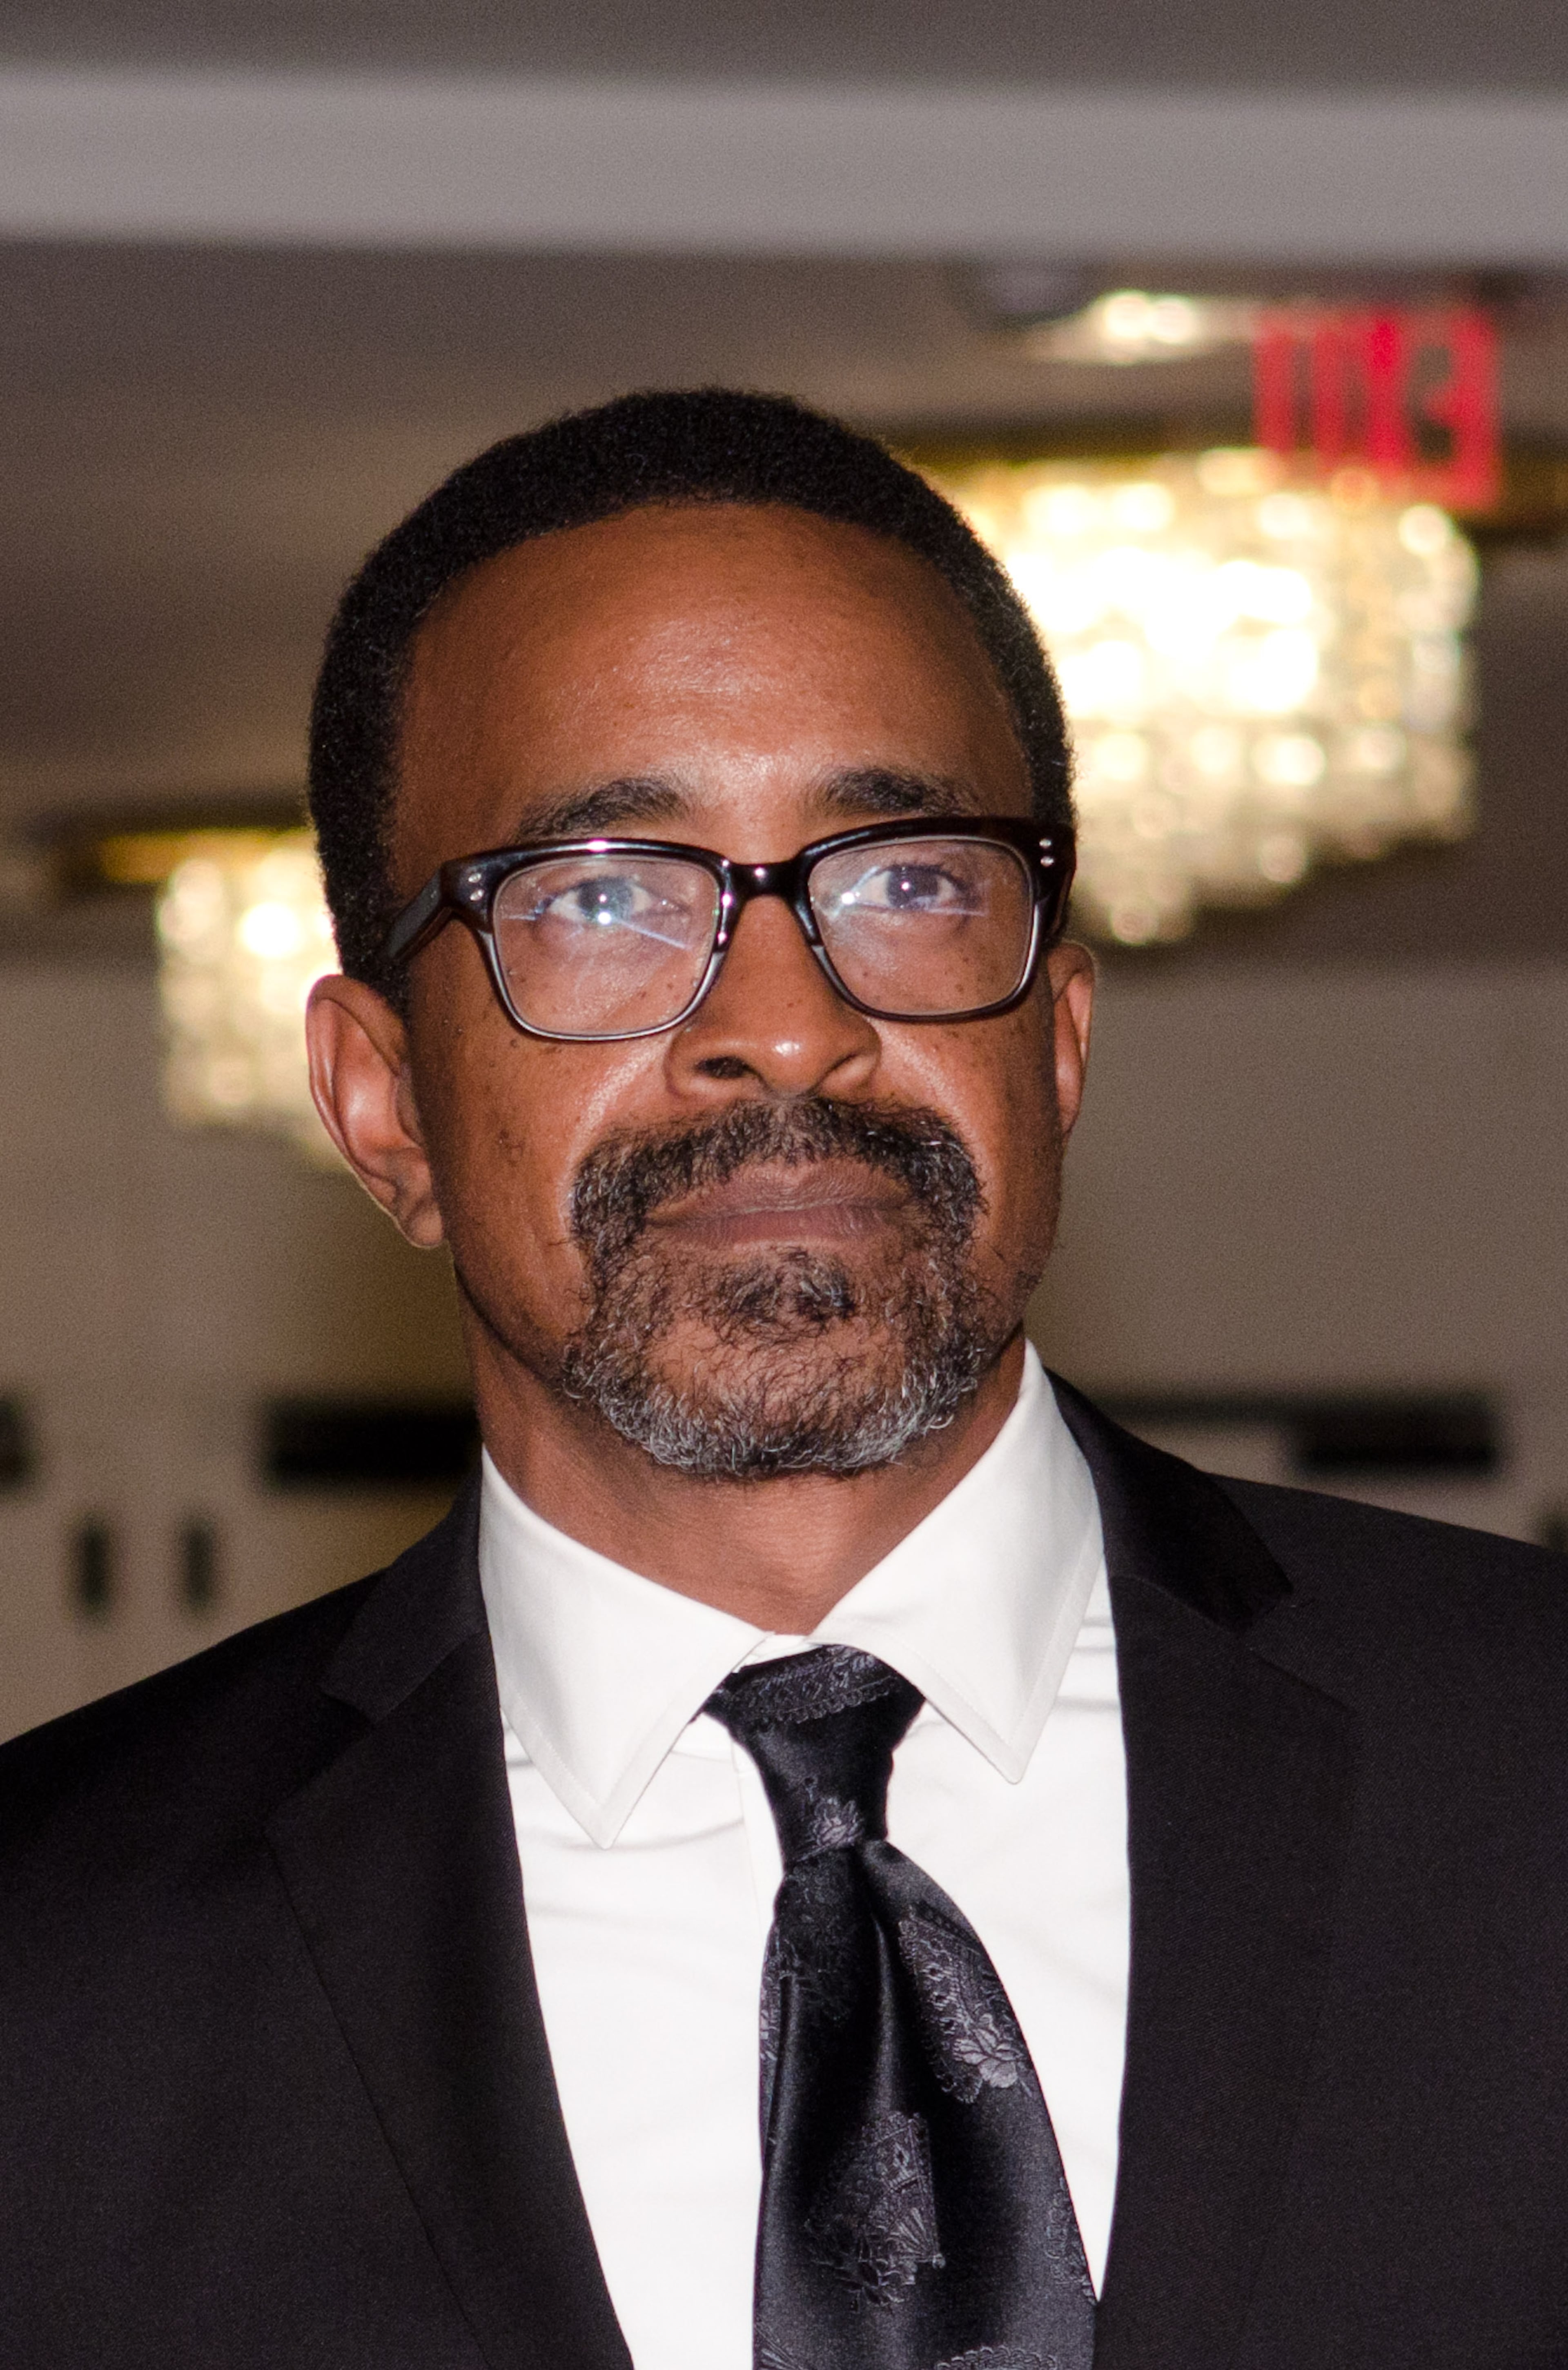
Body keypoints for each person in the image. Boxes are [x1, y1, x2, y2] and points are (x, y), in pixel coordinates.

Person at [3, 390, 1567, 2370]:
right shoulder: (52, 1975)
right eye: (599, 896)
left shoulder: (1530, 1774)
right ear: (379, 1100)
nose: (786, 1025)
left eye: (906, 878)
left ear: (1060, 1039)